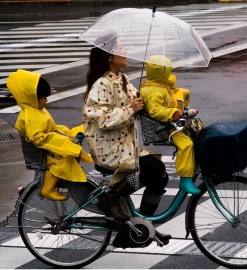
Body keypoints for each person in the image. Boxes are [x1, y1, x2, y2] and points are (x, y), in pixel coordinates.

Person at [82, 35, 171, 247]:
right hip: (109, 147)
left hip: (126, 143)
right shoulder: (101, 84)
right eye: (121, 47)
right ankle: (111, 198)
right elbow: (102, 120)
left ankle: (140, 227)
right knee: (152, 168)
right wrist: (131, 108)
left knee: (161, 177)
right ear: (109, 56)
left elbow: (138, 104)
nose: (125, 50)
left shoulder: (121, 78)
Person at [7, 69, 93, 201]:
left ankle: (30, 188)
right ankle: (47, 188)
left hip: (46, 147)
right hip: (42, 153)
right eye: (44, 98)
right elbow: (38, 138)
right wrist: (62, 140)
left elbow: (51, 127)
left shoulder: (36, 109)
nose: (46, 101)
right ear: (32, 98)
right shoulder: (30, 115)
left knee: (69, 142)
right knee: (63, 159)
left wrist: (66, 133)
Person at [140, 55, 200, 195]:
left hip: (168, 123)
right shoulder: (154, 91)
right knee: (186, 145)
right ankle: (185, 178)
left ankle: (188, 170)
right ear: (162, 73)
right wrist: (172, 112)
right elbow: (155, 110)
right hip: (164, 126)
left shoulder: (159, 87)